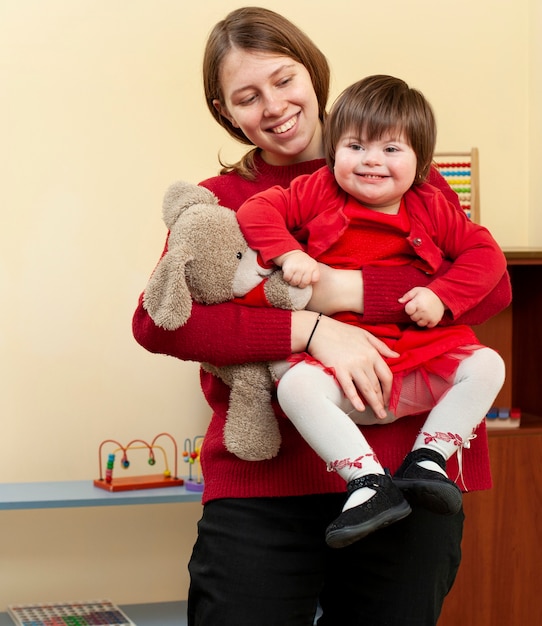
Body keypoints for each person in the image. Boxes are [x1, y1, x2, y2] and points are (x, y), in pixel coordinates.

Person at [132, 7, 512, 625]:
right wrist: (309, 329)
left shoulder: (403, 171)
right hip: (266, 486)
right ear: (225, 111)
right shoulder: (221, 201)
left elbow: (487, 288)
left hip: (408, 473)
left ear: (313, 73)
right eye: (247, 97)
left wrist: (340, 289)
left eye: (284, 80)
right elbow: (160, 321)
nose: (274, 106)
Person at [236, 74, 506, 550]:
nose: (371, 161)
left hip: (420, 360)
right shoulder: (317, 189)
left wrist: (442, 295)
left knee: (487, 365)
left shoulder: (431, 205)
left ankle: (429, 458)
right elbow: (258, 211)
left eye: (391, 150)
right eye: (356, 146)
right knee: (295, 386)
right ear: (333, 150)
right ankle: (367, 483)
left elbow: (486, 256)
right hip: (345, 372)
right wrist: (288, 253)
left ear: (421, 162)